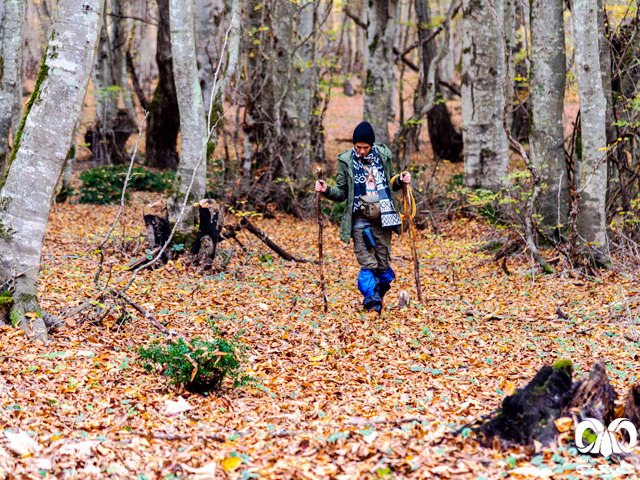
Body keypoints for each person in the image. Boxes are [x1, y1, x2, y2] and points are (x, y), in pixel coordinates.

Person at [315, 121, 411, 315]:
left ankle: (378, 294)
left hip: (384, 216)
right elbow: (342, 192)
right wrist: (326, 190)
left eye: (365, 147)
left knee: (383, 265)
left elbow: (391, 182)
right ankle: (373, 306)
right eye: (358, 147)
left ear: (372, 145)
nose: (361, 151)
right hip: (359, 217)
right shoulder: (346, 160)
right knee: (367, 264)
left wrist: (401, 180)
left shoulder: (383, 156)